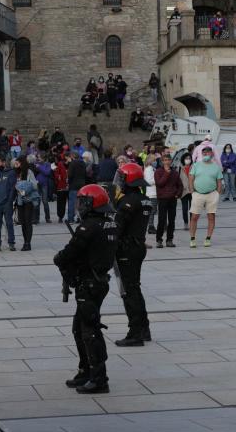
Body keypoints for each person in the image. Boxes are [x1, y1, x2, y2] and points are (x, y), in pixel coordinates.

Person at [55, 184, 118, 394]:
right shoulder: (109, 224)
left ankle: (99, 378)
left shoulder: (88, 226)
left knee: (90, 331)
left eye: (83, 202)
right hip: (99, 281)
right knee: (79, 328)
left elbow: (70, 252)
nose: (80, 206)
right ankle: (86, 370)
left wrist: (60, 260)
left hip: (89, 283)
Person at [113, 163, 153, 347]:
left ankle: (135, 332)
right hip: (138, 247)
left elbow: (118, 229)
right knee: (135, 288)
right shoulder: (144, 199)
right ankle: (144, 329)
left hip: (126, 249)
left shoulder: (127, 202)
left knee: (129, 291)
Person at [189, 146, 223, 248]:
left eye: (208, 153)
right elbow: (191, 178)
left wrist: (218, 193)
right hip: (198, 193)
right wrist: (192, 191)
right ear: (201, 154)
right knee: (194, 217)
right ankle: (192, 239)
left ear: (211, 154)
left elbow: (219, 181)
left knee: (211, 216)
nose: (206, 155)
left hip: (212, 194)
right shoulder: (196, 165)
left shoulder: (216, 167)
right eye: (204, 153)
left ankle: (208, 238)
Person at [154, 153, 183, 248]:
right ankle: (159, 240)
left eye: (168, 160)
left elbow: (180, 185)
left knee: (172, 220)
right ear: (162, 162)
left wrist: (177, 194)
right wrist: (166, 173)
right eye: (165, 160)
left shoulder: (175, 172)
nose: (167, 162)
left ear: (171, 161)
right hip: (162, 199)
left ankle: (169, 239)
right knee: (161, 220)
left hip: (172, 199)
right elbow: (160, 183)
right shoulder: (158, 172)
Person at [0, 155, 17, 251]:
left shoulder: (11, 173)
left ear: (4, 162)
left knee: (9, 223)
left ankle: (11, 243)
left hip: (6, 203)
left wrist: (9, 201)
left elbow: (12, 188)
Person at [13, 156, 39, 251]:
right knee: (22, 222)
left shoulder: (28, 172)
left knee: (28, 222)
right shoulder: (15, 173)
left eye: (17, 163)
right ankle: (25, 241)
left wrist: (23, 187)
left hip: (28, 200)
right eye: (15, 164)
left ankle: (28, 243)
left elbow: (35, 185)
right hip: (19, 201)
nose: (15, 166)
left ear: (22, 163)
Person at [67, 151, 87, 223]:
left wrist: (68, 182)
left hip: (74, 185)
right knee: (81, 203)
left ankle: (70, 219)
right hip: (82, 185)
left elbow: (70, 175)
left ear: (72, 156)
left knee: (72, 202)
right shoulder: (83, 163)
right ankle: (80, 218)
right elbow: (85, 174)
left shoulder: (72, 163)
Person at [143, 154, 159, 235]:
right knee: (152, 211)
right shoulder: (149, 169)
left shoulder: (152, 168)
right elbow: (148, 181)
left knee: (153, 210)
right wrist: (157, 180)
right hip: (151, 193)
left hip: (154, 192)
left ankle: (151, 225)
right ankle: (151, 226)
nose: (155, 162)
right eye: (154, 160)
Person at [35, 155, 52, 223]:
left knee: (45, 201)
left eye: (40, 157)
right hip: (37, 184)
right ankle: (36, 218)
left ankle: (47, 218)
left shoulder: (47, 164)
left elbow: (47, 173)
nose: (38, 158)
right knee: (37, 201)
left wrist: (39, 167)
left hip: (44, 184)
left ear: (43, 158)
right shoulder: (36, 163)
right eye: (38, 157)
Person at [178, 152, 193, 230]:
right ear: (183, 159)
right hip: (183, 191)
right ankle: (186, 223)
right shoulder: (180, 168)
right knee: (184, 209)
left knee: (192, 209)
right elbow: (178, 179)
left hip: (192, 190)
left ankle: (192, 223)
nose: (188, 160)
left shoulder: (194, 167)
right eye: (186, 158)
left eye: (189, 158)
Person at [54, 155, 68, 223]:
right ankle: (61, 216)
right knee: (62, 202)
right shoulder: (62, 164)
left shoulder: (60, 164)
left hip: (62, 187)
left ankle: (60, 216)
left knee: (61, 202)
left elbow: (57, 174)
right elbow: (57, 174)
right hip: (64, 186)